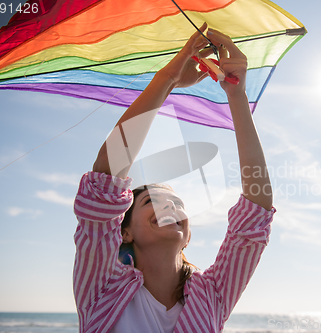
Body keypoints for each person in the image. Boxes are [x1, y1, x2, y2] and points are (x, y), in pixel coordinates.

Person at [73, 24, 275, 333]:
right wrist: (167, 79)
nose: (170, 207)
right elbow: (106, 178)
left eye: (178, 203)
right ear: (124, 232)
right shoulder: (101, 289)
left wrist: (237, 95)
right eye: (151, 199)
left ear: (188, 236)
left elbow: (254, 215)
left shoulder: (212, 295)